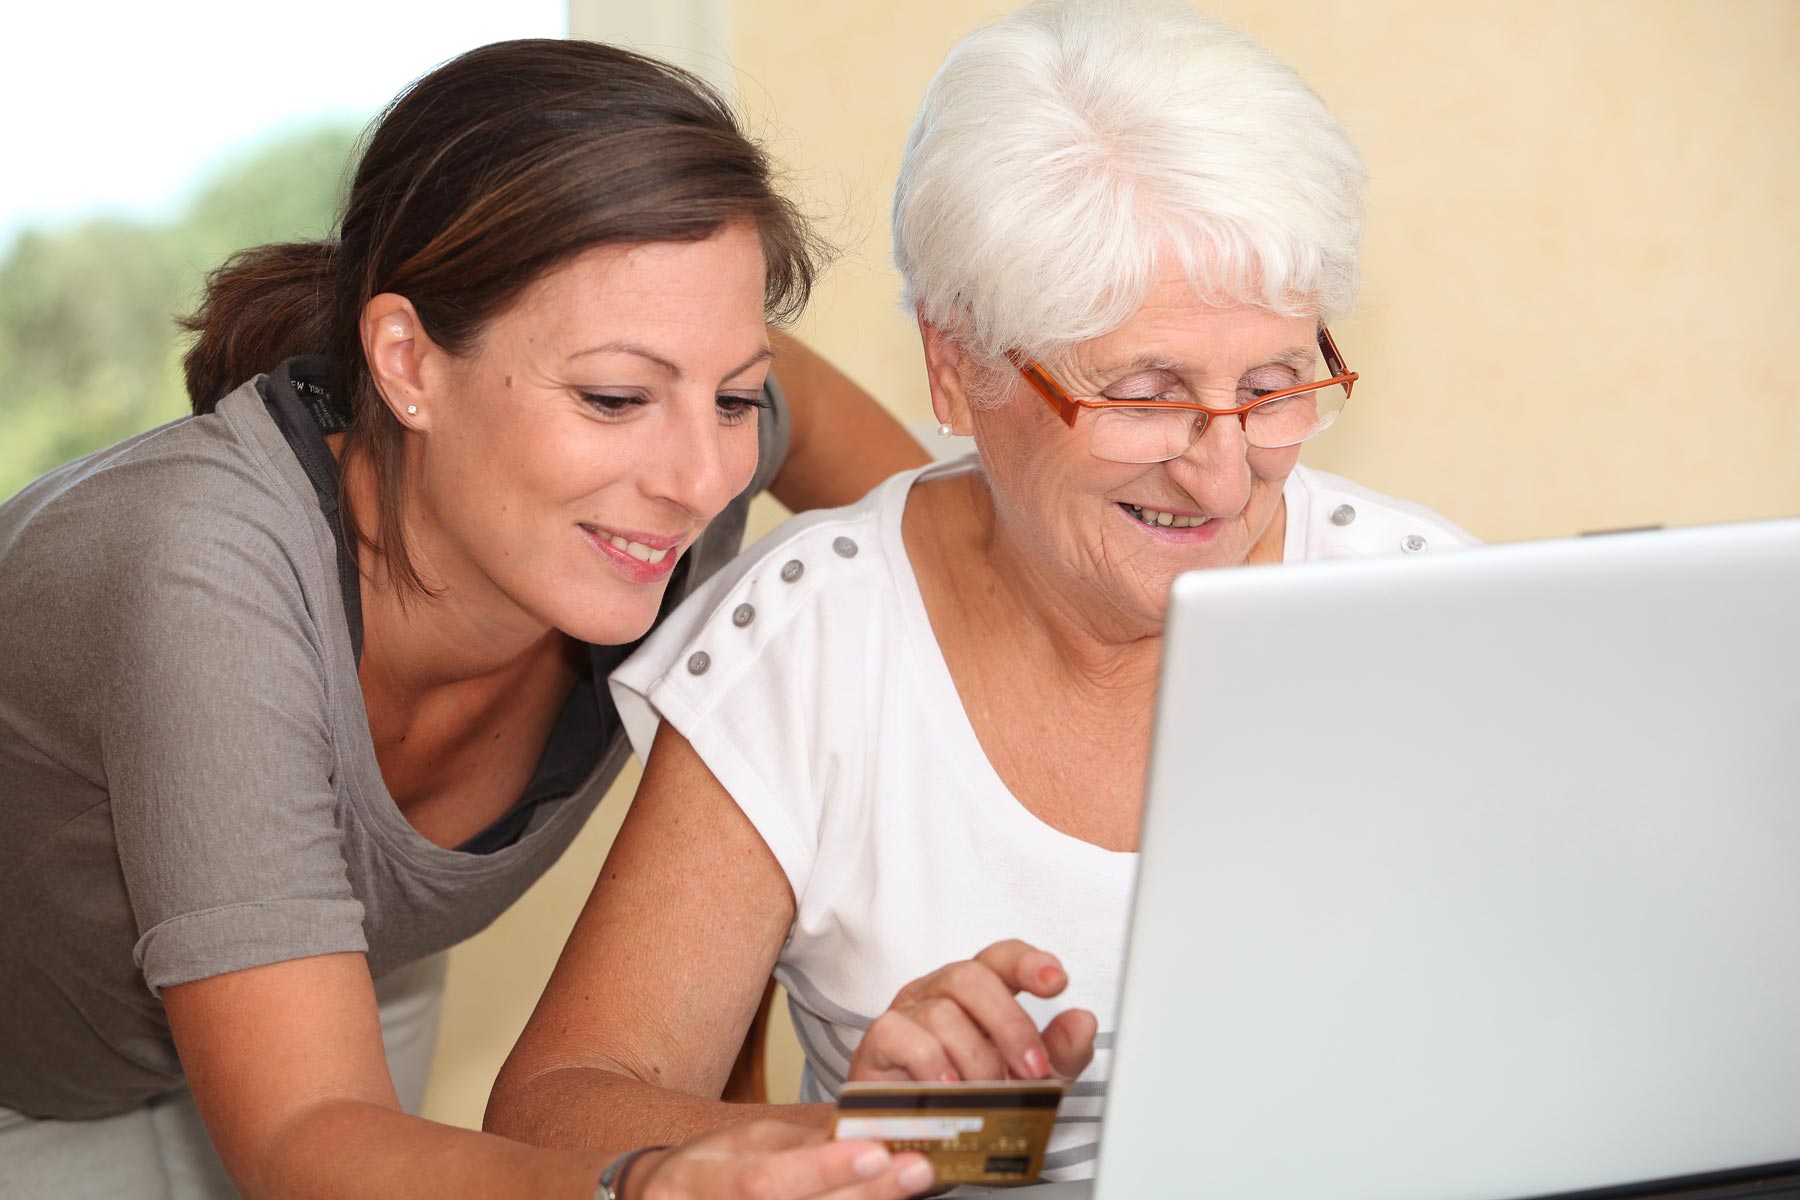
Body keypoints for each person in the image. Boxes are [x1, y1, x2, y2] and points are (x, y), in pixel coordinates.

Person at [485, 0, 1478, 1187]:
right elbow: (552, 1113)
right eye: (1146, 393)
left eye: (1272, 386)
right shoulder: (811, 644)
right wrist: (904, 1143)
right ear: (957, 368)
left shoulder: (1433, 614)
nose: (1223, 473)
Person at [0, 37, 936, 1200]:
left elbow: (959, 560)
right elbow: (305, 1139)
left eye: (735, 395)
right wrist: (647, 1183)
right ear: (405, 360)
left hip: (334, 982)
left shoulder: (675, 438)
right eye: (613, 397)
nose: (701, 478)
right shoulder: (201, 571)